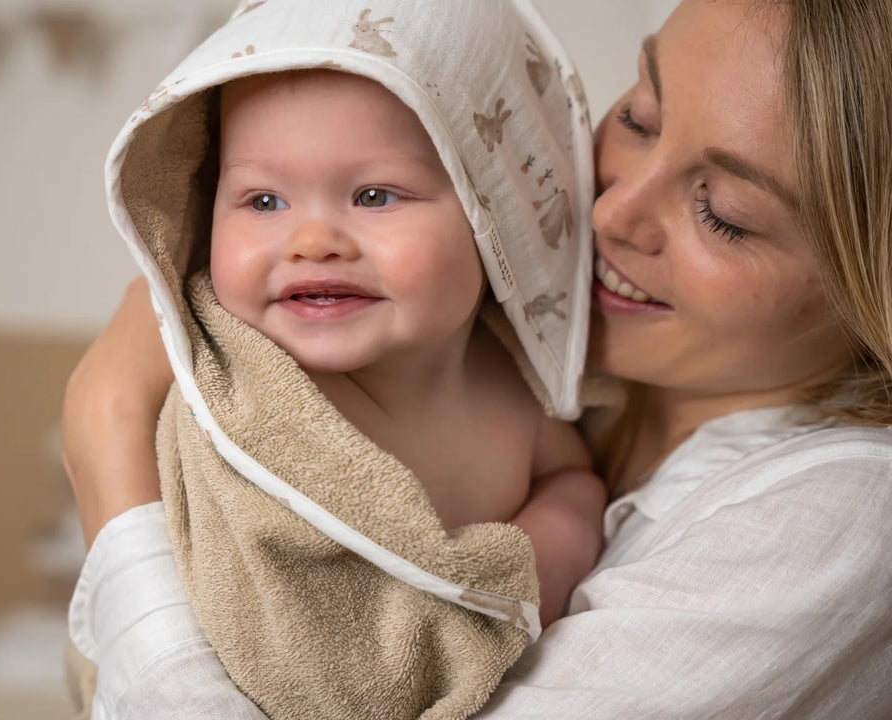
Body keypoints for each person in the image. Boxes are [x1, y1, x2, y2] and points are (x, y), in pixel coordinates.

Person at [64, 0, 892, 717]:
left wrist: (106, 435)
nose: (609, 213)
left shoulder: (848, 517)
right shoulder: (574, 380)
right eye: (640, 116)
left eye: (725, 214)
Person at [65, 2, 608, 718]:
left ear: (490, 221)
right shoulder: (209, 356)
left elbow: (574, 477)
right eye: (263, 200)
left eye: (374, 195)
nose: (313, 239)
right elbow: (109, 427)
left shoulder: (506, 392)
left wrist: (534, 559)